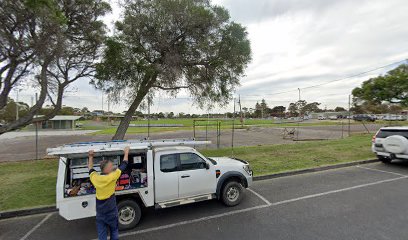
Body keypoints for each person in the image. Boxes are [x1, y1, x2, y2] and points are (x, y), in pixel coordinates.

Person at [88, 146, 130, 240]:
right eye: (111, 166)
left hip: (100, 213)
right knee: (114, 231)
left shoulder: (95, 178)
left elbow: (90, 169)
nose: (113, 167)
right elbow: (124, 164)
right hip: (111, 211)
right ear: (106, 169)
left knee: (102, 235)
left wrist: (90, 156)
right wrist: (126, 152)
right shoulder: (112, 176)